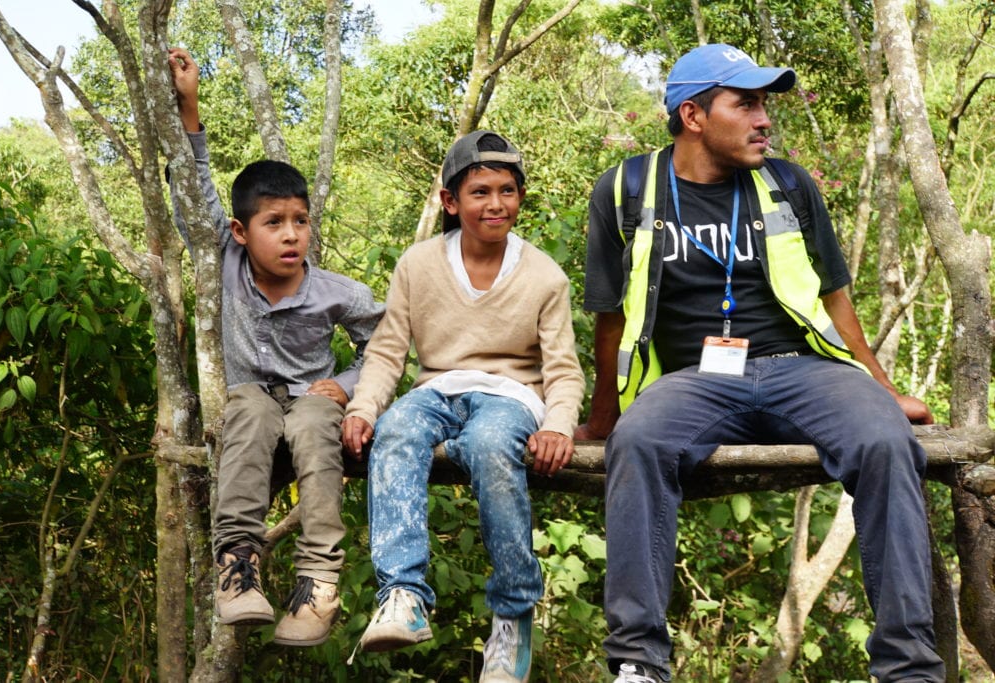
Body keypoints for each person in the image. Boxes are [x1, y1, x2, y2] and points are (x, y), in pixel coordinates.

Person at [577, 44, 945, 682]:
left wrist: (883, 391)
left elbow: (835, 297)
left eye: (765, 103)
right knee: (637, 443)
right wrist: (603, 417)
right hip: (694, 379)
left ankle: (909, 668)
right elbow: (610, 318)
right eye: (744, 103)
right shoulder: (626, 189)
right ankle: (637, 664)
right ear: (692, 116)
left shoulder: (789, 184)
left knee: (886, 441)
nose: (763, 118)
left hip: (801, 368)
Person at [341, 130, 584, 682]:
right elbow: (386, 352)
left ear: (520, 197)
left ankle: (513, 611)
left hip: (511, 395)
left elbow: (563, 371)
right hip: (436, 389)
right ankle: (403, 594)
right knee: (396, 430)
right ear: (452, 202)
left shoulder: (545, 275)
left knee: (491, 444)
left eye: (507, 191)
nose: (495, 204)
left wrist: (559, 425)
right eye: (479, 192)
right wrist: (362, 409)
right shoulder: (419, 264)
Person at [167, 48, 384, 647]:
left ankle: (319, 581)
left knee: (315, 423)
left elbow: (386, 345)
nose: (291, 234)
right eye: (273, 223)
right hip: (251, 398)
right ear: (241, 231)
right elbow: (191, 191)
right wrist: (189, 105)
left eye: (300, 221)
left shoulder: (337, 292)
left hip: (313, 397)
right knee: (252, 411)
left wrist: (347, 383)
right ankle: (238, 567)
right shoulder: (225, 257)